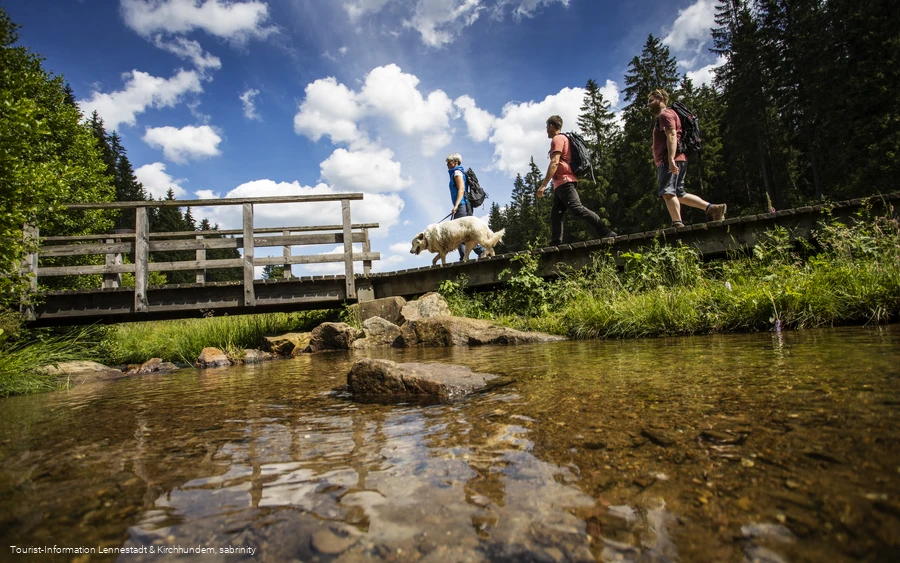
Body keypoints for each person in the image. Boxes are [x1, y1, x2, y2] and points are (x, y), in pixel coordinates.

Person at [648, 88, 726, 227]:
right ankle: (713, 209)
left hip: (669, 160)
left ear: (660, 99)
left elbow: (671, 135)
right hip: (679, 158)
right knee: (679, 194)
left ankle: (677, 224)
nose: (648, 104)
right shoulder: (672, 114)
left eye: (651, 101)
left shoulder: (664, 115)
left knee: (667, 193)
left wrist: (671, 159)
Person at [537, 116, 616, 245]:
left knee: (577, 208)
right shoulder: (564, 138)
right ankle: (556, 242)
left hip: (564, 181)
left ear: (551, 126)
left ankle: (604, 230)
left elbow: (555, 162)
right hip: (561, 183)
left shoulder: (557, 139)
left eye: (547, 128)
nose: (546, 131)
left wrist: (543, 185)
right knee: (556, 214)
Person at [446, 153, 484, 260]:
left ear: (455, 162)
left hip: (462, 205)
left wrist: (456, 205)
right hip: (464, 205)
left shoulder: (457, 173)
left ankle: (481, 250)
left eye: (449, 162)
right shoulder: (456, 172)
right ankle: (463, 257)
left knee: (461, 232)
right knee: (460, 232)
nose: (447, 164)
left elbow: (461, 189)